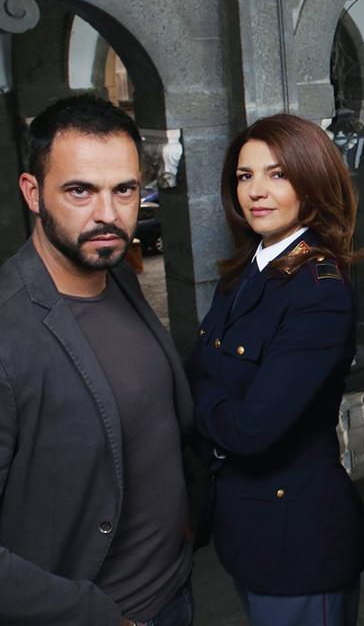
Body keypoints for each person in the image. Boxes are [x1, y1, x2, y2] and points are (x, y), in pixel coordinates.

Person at [0, 95, 195, 625]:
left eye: (124, 190)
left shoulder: (117, 275)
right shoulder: (9, 328)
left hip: (175, 589)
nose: (108, 215)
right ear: (33, 192)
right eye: (80, 190)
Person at [186, 114, 364, 625]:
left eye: (277, 174)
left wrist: (192, 400)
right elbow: (204, 373)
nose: (256, 191)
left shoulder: (318, 289)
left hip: (300, 545)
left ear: (312, 182)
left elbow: (252, 429)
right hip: (248, 533)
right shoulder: (248, 270)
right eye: (245, 176)